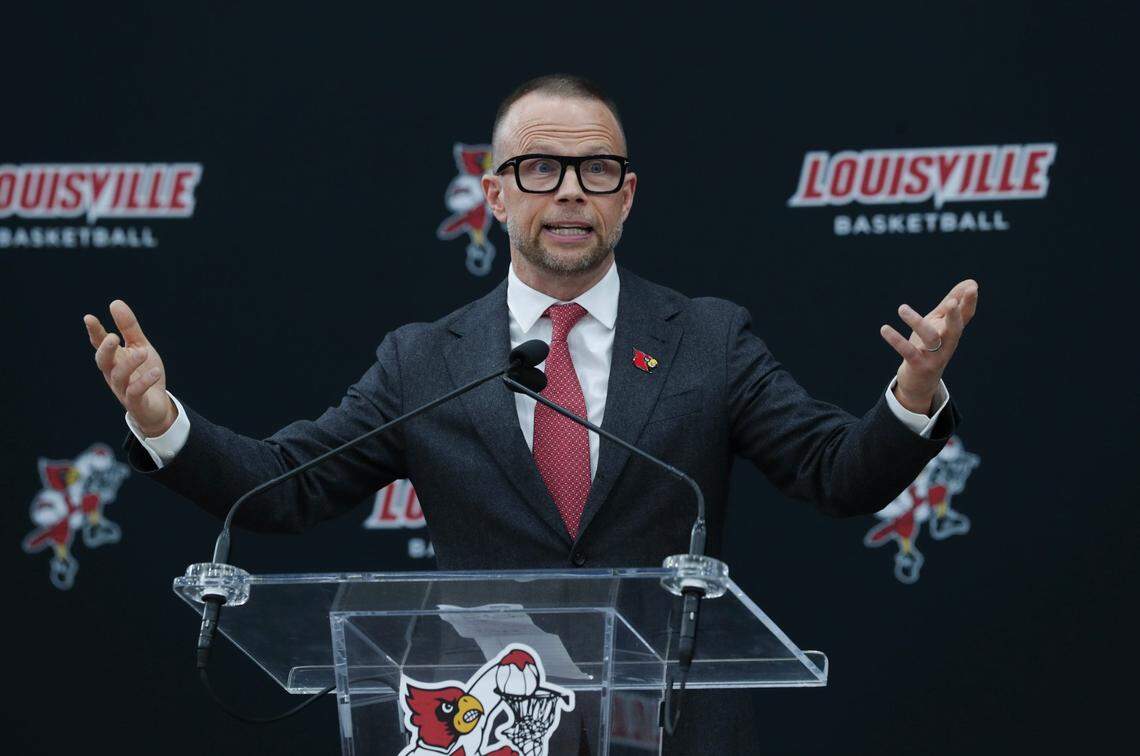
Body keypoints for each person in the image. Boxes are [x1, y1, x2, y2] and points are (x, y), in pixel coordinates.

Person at [83, 74, 977, 754]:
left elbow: (835, 472)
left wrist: (912, 396)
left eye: (598, 170)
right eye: (542, 168)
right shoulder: (426, 359)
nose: (571, 192)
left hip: (672, 731)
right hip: (488, 730)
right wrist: (164, 420)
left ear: (627, 195)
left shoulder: (708, 339)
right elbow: (284, 490)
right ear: (496, 192)